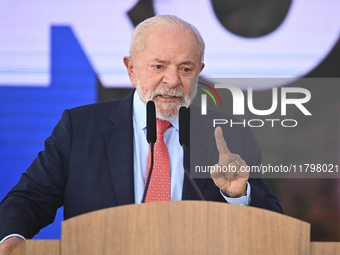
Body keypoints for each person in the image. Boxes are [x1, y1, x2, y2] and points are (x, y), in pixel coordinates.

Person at [0, 15, 282, 254]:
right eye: (158, 66)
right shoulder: (80, 127)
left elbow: (275, 228)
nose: (172, 81)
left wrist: (238, 195)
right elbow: (29, 199)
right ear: (131, 69)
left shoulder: (231, 135)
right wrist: (12, 239)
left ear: (199, 72)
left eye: (186, 69)